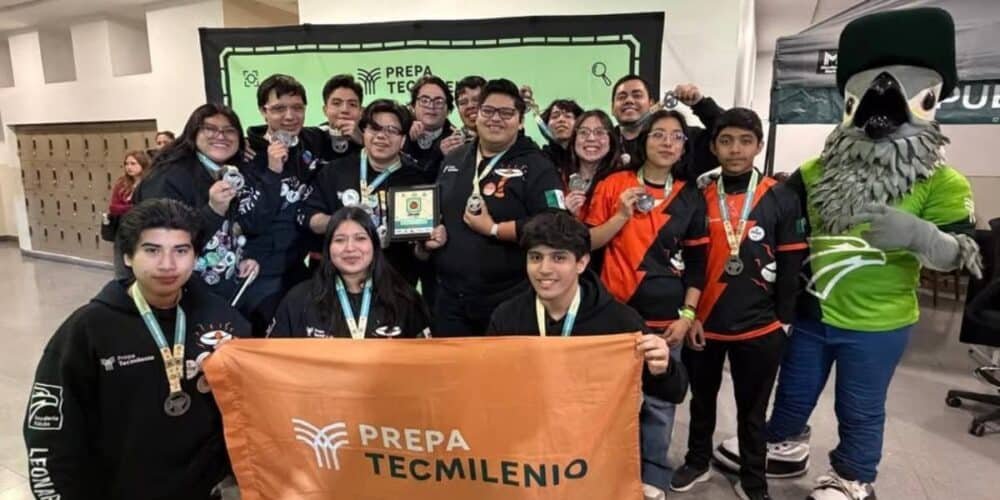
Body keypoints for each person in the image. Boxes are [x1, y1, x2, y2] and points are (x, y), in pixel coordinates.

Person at [23, 199, 249, 500]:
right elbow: (49, 434)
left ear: (195, 255)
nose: (168, 264)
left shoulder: (223, 320)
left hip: (204, 489)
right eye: (152, 250)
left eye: (181, 251)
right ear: (128, 256)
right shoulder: (88, 329)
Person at [486, 212, 688, 500]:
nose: (544, 269)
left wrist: (663, 367)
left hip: (596, 455)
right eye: (535, 257)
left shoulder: (620, 321)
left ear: (581, 262)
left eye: (559, 258)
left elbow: (675, 391)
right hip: (531, 452)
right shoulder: (507, 317)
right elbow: (491, 388)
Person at [670, 108, 807, 500]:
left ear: (759, 146)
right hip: (705, 323)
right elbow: (689, 262)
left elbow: (791, 260)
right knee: (702, 401)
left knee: (753, 410)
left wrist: (783, 321)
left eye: (745, 141)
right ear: (713, 146)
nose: (735, 150)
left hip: (761, 326)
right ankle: (697, 461)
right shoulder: (697, 194)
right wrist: (690, 313)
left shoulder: (780, 196)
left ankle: (753, 479)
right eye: (726, 141)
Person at [584, 108, 708, 496]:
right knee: (607, 403)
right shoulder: (612, 184)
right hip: (612, 315)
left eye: (676, 136)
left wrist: (688, 315)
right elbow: (587, 244)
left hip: (665, 319)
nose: (667, 142)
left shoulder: (690, 195)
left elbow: (698, 264)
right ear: (644, 139)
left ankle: (651, 476)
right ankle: (601, 473)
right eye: (659, 134)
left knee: (658, 404)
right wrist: (621, 214)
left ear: (684, 145)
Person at [423, 78, 565, 337]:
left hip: (510, 299)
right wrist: (430, 237)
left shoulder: (536, 164)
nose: (495, 119)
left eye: (507, 113)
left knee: (506, 375)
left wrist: (496, 229)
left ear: (520, 121)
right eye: (488, 111)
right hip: (450, 301)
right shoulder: (454, 159)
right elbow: (438, 213)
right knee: (454, 376)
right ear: (477, 115)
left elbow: (555, 224)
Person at [135, 104, 279, 329]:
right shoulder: (169, 176)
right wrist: (213, 209)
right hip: (181, 297)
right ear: (194, 133)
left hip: (221, 294)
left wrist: (242, 256)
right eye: (210, 129)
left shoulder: (228, 171)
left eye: (229, 130)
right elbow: (162, 240)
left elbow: (240, 225)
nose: (221, 136)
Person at [301, 99, 429, 285]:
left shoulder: (416, 179)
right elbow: (311, 219)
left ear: (403, 140)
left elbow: (421, 249)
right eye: (374, 128)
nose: (381, 136)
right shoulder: (334, 171)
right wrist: (346, 221)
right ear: (364, 132)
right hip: (338, 283)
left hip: (395, 284)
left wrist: (426, 244)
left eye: (391, 130)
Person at [270, 206, 430, 338]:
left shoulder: (405, 300)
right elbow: (274, 361)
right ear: (328, 248)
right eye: (340, 240)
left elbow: (425, 362)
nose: (350, 248)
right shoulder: (298, 300)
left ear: (374, 246)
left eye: (360, 238)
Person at [244, 74, 328, 314]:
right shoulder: (247, 154)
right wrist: (272, 171)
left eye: (297, 108)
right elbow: (250, 220)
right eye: (279, 108)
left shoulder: (313, 140)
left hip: (298, 266)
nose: (290, 116)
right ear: (263, 111)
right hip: (259, 268)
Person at [611, 75, 724, 179]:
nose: (629, 100)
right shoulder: (603, 143)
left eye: (637, 95)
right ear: (612, 108)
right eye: (621, 97)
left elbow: (731, 133)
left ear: (652, 104)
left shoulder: (682, 139)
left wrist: (701, 104)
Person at [404, 75, 456, 183]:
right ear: (413, 106)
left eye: (439, 101)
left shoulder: (456, 140)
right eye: (424, 100)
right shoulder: (399, 134)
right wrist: (406, 143)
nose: (431, 106)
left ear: (448, 110)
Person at [317, 74, 364, 160]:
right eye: (336, 103)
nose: (344, 110)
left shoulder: (373, 139)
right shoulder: (313, 138)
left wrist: (363, 142)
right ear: (325, 110)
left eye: (352, 104)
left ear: (361, 112)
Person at [440, 75, 486, 156]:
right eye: (463, 103)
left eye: (476, 100)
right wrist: (448, 159)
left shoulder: (506, 139)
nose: (470, 106)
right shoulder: (449, 144)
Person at [539, 99, 583, 169]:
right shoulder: (540, 158)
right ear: (546, 125)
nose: (561, 120)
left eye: (568, 116)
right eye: (555, 116)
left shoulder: (588, 156)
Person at [108, 150, 150, 218]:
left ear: (143, 164)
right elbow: (113, 208)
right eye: (126, 164)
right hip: (122, 223)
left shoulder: (149, 183)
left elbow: (147, 208)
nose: (129, 167)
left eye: (133, 163)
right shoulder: (121, 183)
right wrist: (133, 208)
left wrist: (124, 208)